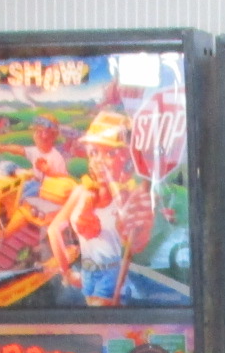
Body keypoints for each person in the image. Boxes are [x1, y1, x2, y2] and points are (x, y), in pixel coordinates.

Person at [48, 112, 153, 306]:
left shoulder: (127, 196)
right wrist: (66, 271)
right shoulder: (81, 191)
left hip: (113, 275)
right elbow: (53, 230)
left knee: (100, 315)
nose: (99, 161)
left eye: (110, 154)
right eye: (94, 153)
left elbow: (137, 242)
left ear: (126, 158)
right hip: (87, 273)